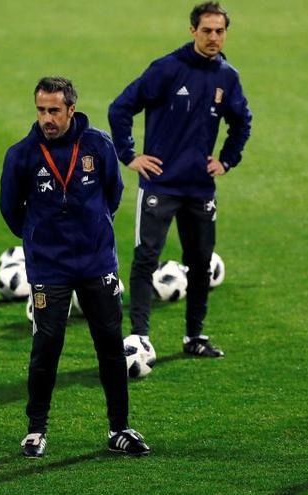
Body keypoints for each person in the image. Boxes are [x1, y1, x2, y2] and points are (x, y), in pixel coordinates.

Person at [0, 76, 149, 457]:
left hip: (96, 261)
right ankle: (36, 430)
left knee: (110, 345)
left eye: (53, 110)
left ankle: (120, 428)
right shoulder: (21, 154)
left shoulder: (98, 145)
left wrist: (93, 228)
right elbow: (9, 209)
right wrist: (40, 237)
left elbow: (113, 194)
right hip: (49, 267)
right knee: (47, 344)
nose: (46, 118)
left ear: (70, 109)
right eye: (40, 109)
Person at [108, 1, 252, 358]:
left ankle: (194, 337)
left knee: (200, 262)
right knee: (146, 258)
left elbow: (242, 121)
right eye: (207, 30)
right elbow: (120, 107)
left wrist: (227, 160)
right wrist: (130, 155)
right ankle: (140, 336)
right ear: (192, 31)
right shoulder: (167, 69)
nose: (214, 37)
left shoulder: (227, 77)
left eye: (220, 31)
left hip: (200, 187)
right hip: (160, 184)